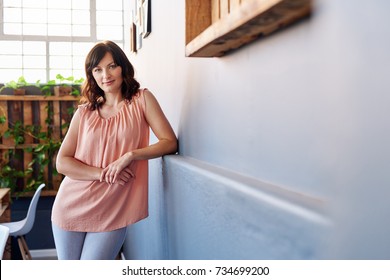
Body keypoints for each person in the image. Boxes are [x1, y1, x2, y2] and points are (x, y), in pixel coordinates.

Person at [51, 40, 177, 260]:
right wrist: (102, 174)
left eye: (111, 66)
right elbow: (63, 163)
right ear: (92, 75)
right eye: (97, 69)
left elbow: (169, 141)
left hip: (115, 208)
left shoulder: (142, 100)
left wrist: (131, 155)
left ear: (122, 67)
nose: (105, 75)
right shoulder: (84, 113)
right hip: (71, 204)